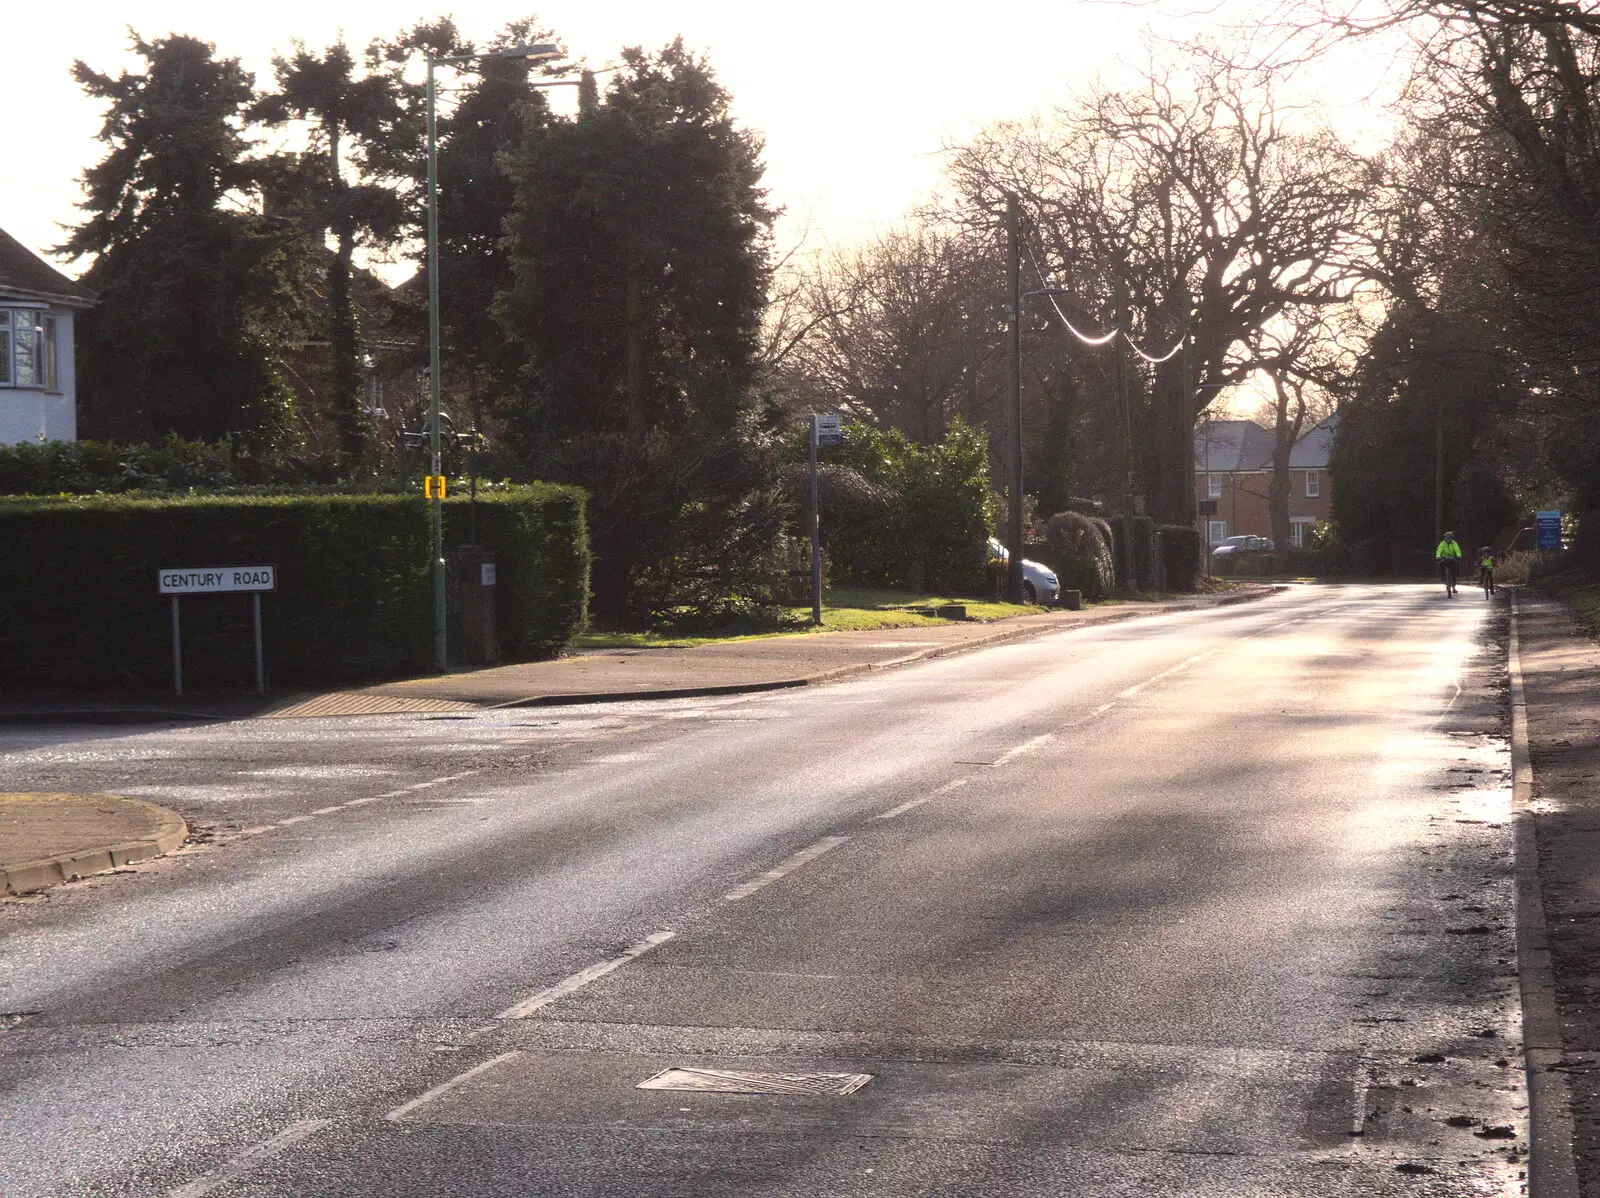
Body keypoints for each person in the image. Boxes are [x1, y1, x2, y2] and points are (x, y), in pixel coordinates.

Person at [1436, 530, 1463, 596]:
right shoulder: (1442, 543)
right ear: (1445, 538)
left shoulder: (1454, 543)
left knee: (1453, 572)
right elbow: (1439, 550)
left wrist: (1459, 556)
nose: (1448, 539)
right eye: (1447, 538)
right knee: (1442, 566)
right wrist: (1438, 556)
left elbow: (1457, 550)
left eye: (1449, 538)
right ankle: (1443, 577)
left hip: (1452, 558)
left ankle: (1453, 587)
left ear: (1451, 538)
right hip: (1444, 558)